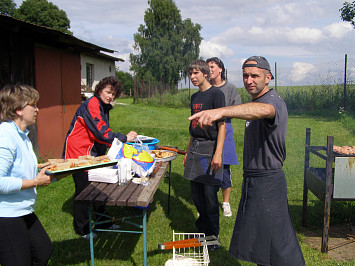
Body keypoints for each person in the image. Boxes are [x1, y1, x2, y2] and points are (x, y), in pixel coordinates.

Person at [189, 56, 305, 265]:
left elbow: (263, 111)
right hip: (254, 179)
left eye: (254, 76)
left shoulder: (272, 102)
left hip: (268, 181)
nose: (249, 80)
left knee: (278, 242)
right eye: (245, 76)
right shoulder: (256, 101)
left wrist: (220, 111)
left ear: (268, 77)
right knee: (262, 241)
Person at [62, 76, 137, 239]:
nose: (110, 96)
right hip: (78, 154)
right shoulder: (92, 104)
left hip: (92, 154)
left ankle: (103, 223)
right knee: (84, 190)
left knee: (99, 188)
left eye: (113, 94)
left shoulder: (103, 106)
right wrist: (123, 138)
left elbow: (102, 134)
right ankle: (83, 229)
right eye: (108, 92)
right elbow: (100, 132)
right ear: (99, 90)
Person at [0, 84, 53, 265]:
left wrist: (47, 172)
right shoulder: (6, 136)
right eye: (33, 105)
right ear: (19, 110)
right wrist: (35, 182)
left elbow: (19, 169)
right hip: (6, 214)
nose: (38, 109)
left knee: (43, 250)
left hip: (23, 209)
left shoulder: (22, 135)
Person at [183, 60, 226, 250]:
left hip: (210, 149)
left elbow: (222, 125)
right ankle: (202, 230)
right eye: (190, 74)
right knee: (196, 194)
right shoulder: (194, 97)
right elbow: (193, 127)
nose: (192, 77)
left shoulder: (217, 94)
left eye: (195, 73)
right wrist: (187, 151)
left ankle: (213, 236)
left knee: (209, 195)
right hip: (195, 148)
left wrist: (218, 153)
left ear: (205, 73)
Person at [206, 57, 241, 217]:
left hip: (225, 130)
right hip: (207, 132)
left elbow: (238, 109)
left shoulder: (230, 88)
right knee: (205, 168)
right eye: (208, 68)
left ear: (220, 69)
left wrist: (221, 114)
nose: (209, 70)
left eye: (212, 67)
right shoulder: (205, 88)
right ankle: (207, 203)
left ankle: (225, 203)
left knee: (224, 169)